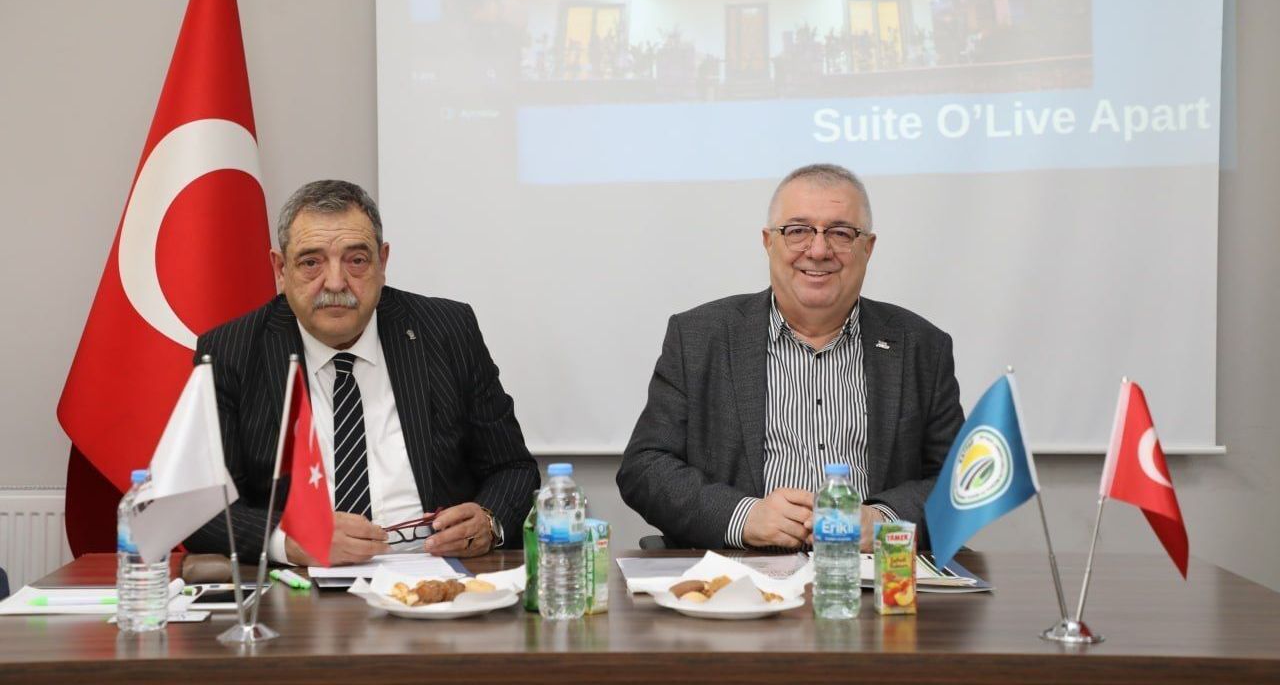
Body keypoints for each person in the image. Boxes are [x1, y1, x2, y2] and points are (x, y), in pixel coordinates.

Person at [185, 180, 538, 565]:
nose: (336, 283)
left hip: (435, 577)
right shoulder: (232, 351)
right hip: (301, 585)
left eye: (356, 260)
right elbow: (198, 508)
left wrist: (488, 520)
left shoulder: (447, 330)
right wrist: (290, 540)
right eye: (311, 263)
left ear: (382, 263)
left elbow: (513, 468)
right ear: (281, 269)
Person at [617, 164, 963, 551]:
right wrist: (743, 517)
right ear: (769, 242)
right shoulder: (699, 337)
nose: (818, 251)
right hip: (740, 573)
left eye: (841, 233)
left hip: (870, 572)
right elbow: (645, 468)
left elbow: (957, 481)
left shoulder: (921, 347)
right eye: (798, 231)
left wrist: (884, 521)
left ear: (867, 248)